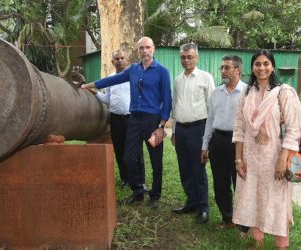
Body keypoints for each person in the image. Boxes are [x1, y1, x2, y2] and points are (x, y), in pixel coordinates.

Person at [81, 37, 172, 209]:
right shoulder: (133, 69)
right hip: (135, 119)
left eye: (147, 48)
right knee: (129, 157)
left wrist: (161, 126)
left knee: (155, 159)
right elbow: (112, 80)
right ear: (137, 51)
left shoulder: (162, 71)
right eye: (141, 48)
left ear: (154, 49)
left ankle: (155, 195)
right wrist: (90, 85)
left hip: (152, 120)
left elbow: (167, 99)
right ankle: (138, 190)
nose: (144, 51)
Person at [232, 49, 301, 249]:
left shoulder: (284, 92)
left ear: (272, 67)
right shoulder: (247, 93)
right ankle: (258, 239)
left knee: (278, 202)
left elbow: (293, 129)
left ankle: (281, 244)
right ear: (252, 68)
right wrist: (239, 159)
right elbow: (239, 128)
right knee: (253, 198)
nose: (261, 68)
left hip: (275, 157)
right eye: (257, 64)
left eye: (266, 64)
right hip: (251, 158)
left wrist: (283, 158)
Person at [201, 55, 248, 230]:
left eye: (227, 68)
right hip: (218, 141)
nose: (222, 71)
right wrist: (205, 145)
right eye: (222, 68)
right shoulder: (216, 93)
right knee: (220, 183)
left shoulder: (248, 92)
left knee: (240, 183)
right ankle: (227, 218)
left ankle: (244, 223)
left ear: (238, 70)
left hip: (239, 143)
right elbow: (210, 119)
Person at [170, 43, 215, 224]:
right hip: (181, 129)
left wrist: (208, 137)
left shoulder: (205, 78)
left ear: (197, 58)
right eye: (183, 57)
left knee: (198, 169)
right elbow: (175, 106)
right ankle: (191, 202)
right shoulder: (178, 80)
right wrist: (173, 132)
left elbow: (212, 109)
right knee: (185, 168)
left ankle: (203, 208)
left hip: (199, 129)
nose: (186, 60)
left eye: (190, 57)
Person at [91, 49, 145, 189]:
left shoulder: (134, 76)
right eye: (117, 59)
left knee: (136, 151)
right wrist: (94, 91)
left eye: (122, 58)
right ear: (112, 62)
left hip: (132, 118)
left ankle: (140, 180)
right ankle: (125, 178)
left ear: (127, 60)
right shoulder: (110, 79)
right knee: (120, 150)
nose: (120, 60)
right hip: (115, 119)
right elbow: (107, 99)